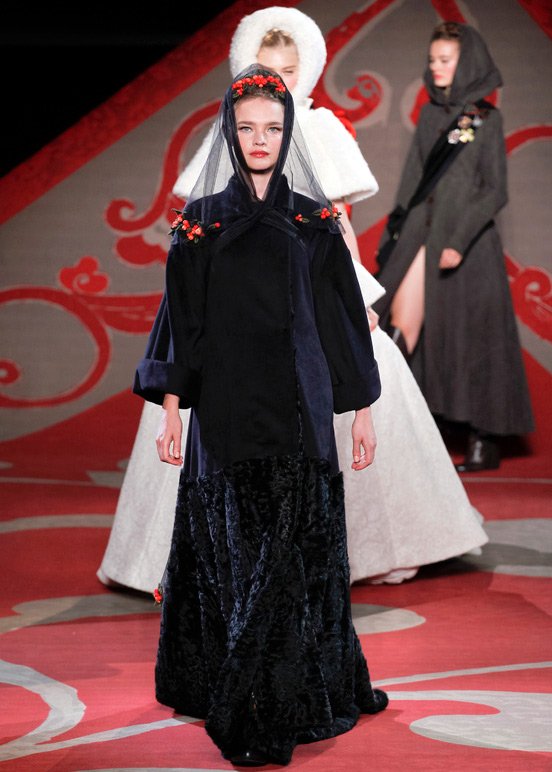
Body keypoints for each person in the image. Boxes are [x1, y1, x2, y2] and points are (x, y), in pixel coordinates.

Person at [98, 6, 488, 594]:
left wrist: (359, 295)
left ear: (305, 70)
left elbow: (337, 224)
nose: (277, 78)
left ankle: (347, 559)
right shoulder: (232, 129)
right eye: (265, 67)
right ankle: (198, 567)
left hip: (305, 295)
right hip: (235, 318)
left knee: (336, 411)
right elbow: (198, 247)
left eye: (287, 68)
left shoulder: (320, 129)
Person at [133, 64, 388, 767]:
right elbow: (181, 322)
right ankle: (236, 685)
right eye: (247, 128)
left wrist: (361, 411)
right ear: (229, 131)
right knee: (235, 553)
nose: (260, 140)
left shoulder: (314, 221)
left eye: (272, 128)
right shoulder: (201, 222)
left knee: (290, 557)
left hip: (300, 410)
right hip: (225, 411)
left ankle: (268, 701)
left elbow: (341, 323)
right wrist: (172, 412)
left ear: (287, 132)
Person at [373, 21, 534, 472]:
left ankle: (484, 441)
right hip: (420, 235)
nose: (436, 68)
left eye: (446, 60)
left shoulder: (485, 118)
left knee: (474, 338)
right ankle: (394, 434)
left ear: (469, 63)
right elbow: (411, 184)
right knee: (398, 330)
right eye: (433, 60)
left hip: (468, 244)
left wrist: (459, 241)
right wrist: (393, 240)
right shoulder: (428, 116)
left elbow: (494, 191)